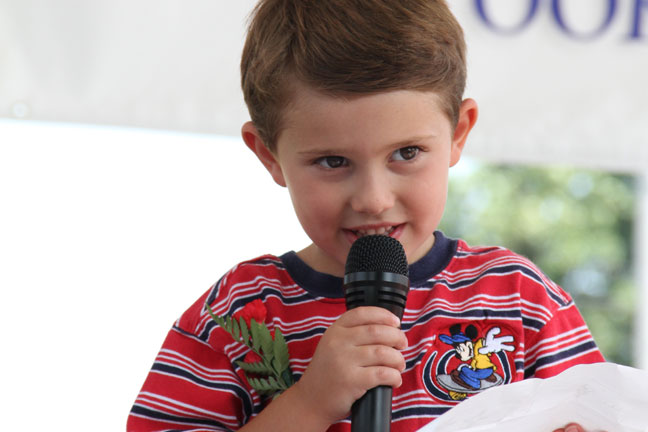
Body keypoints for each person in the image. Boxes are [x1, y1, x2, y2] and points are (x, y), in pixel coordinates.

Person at [127, 0, 605, 431]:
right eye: (333, 162)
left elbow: (601, 416)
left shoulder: (520, 298)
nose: (373, 199)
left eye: (407, 152)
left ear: (459, 132)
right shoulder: (237, 314)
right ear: (269, 154)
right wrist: (309, 404)